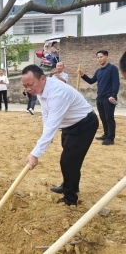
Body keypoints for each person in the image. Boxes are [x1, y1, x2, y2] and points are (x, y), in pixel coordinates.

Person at [22, 65, 98, 206]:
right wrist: (47, 135)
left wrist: (35, 154)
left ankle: (70, 198)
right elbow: (46, 114)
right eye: (25, 86)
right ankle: (70, 185)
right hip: (69, 126)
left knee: (68, 161)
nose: (28, 89)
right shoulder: (41, 89)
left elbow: (52, 124)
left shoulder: (57, 93)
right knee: (70, 159)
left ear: (42, 78)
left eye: (30, 84)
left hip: (84, 125)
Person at [79, 50, 120, 145]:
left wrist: (113, 95)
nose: (99, 59)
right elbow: (91, 81)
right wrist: (82, 75)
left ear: (106, 57)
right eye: (98, 57)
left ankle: (110, 138)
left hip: (109, 97)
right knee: (103, 117)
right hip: (100, 97)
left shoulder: (112, 68)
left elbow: (116, 83)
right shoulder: (98, 71)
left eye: (101, 57)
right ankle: (105, 135)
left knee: (109, 118)